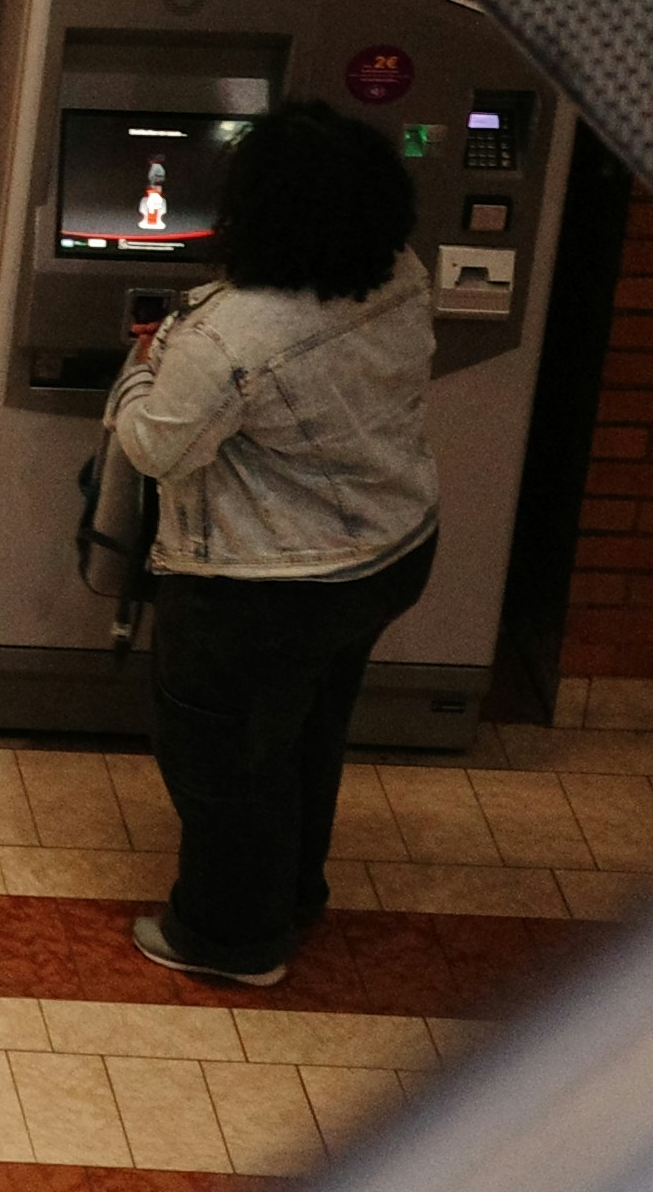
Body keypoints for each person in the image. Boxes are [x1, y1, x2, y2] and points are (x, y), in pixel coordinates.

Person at [102, 98, 437, 989]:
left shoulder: (228, 336)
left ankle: (230, 938)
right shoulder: (400, 272)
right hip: (388, 554)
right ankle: (293, 891)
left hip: (260, 585)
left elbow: (155, 446)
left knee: (224, 758)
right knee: (306, 730)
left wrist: (140, 372)